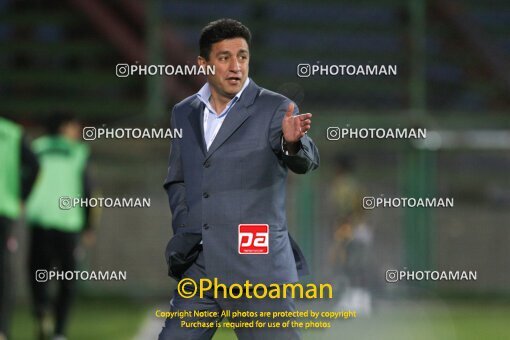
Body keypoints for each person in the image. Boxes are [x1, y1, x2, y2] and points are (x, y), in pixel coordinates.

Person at [160, 18, 320, 339]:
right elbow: (178, 179)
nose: (236, 66)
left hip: (257, 270)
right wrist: (188, 227)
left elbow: (307, 160)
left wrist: (292, 143)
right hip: (200, 268)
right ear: (204, 64)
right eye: (224, 58)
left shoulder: (276, 108)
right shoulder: (184, 112)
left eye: (243, 56)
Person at [25, 113, 93, 340]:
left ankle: (42, 310)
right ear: (65, 127)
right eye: (74, 125)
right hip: (68, 222)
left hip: (40, 220)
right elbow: (87, 190)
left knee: (37, 273)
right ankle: (60, 331)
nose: (78, 129)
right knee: (67, 280)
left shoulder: (36, 147)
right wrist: (89, 225)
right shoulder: (78, 152)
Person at [0, 116, 39, 340]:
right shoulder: (13, 133)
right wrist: (21, 197)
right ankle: (2, 329)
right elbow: (34, 166)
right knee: (3, 271)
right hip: (4, 210)